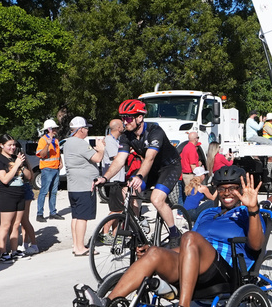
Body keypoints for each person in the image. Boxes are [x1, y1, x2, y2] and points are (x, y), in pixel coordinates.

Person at [75, 165, 265, 307]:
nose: (227, 193)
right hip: (193, 267)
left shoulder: (248, 214)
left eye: (232, 188)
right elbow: (188, 248)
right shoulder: (208, 213)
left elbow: (256, 246)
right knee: (155, 252)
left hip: (224, 272)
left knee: (189, 236)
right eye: (222, 189)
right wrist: (157, 252)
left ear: (241, 190)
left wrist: (253, 209)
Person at [95, 99, 186, 247]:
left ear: (140, 117)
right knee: (127, 191)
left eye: (129, 118)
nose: (125, 122)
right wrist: (104, 177)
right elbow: (119, 160)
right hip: (150, 168)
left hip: (169, 167)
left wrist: (139, 176)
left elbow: (149, 158)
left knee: (157, 200)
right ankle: (138, 231)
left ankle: (174, 233)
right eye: (123, 118)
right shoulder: (126, 136)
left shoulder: (155, 131)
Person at [64, 116, 105, 256]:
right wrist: (101, 149)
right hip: (84, 186)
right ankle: (81, 247)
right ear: (80, 129)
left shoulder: (69, 142)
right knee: (82, 218)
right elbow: (98, 158)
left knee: (76, 216)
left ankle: (76, 245)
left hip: (74, 186)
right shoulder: (80, 143)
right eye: (86, 128)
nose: (87, 131)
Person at [0, 134, 32, 263]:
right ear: (2, 145)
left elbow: (29, 176)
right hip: (7, 195)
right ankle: (3, 252)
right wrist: (15, 166)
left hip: (20, 194)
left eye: (14, 145)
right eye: (9, 145)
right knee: (5, 225)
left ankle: (14, 251)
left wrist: (21, 165)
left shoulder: (17, 158)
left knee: (16, 225)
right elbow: (4, 179)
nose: (13, 147)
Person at [35, 120, 63, 223]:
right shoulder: (43, 140)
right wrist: (47, 144)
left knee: (54, 192)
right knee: (43, 192)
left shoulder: (55, 140)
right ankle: (39, 214)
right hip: (47, 169)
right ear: (50, 129)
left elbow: (58, 153)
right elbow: (41, 154)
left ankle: (53, 213)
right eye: (54, 128)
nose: (56, 130)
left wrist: (61, 162)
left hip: (55, 168)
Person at [99, 119, 126, 218]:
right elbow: (117, 157)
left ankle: (115, 232)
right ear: (119, 128)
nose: (124, 126)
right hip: (112, 181)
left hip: (118, 180)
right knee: (117, 210)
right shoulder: (109, 140)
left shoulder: (116, 140)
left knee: (119, 209)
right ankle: (104, 231)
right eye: (123, 125)